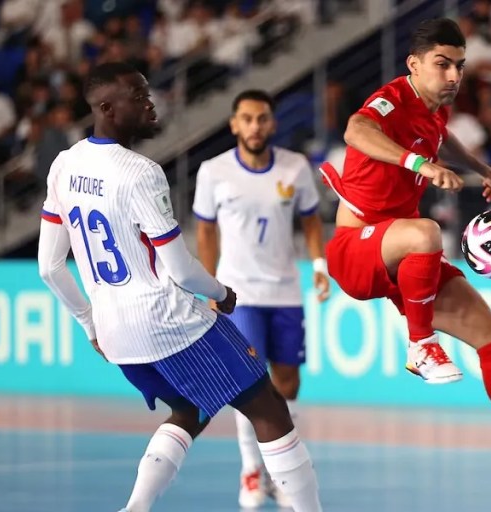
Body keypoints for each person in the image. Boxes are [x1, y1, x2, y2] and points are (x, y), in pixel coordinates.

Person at [318, 17, 491, 488]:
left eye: (460, 67)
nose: (453, 76)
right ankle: (421, 345)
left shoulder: (435, 108)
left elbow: (441, 137)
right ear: (413, 64)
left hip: (400, 256)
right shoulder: (390, 100)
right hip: (356, 249)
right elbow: (354, 131)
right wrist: (419, 164)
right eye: (442, 65)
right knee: (427, 232)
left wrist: (482, 168)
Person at [36, 62, 323, 512]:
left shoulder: (64, 165)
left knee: (190, 409)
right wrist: (222, 294)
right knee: (269, 408)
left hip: (115, 332)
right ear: (108, 107)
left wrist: (90, 325)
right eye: (139, 96)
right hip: (167, 320)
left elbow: (49, 268)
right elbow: (181, 270)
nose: (152, 104)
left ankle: (134, 508)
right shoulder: (140, 173)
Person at [193, 89, 330, 509]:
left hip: (285, 290)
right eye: (247, 119)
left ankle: (282, 472)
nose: (255, 126)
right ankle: (252, 470)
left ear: (272, 123)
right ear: (234, 124)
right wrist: (212, 286)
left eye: (263, 118)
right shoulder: (213, 172)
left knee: (288, 383)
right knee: (249, 382)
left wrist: (320, 265)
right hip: (240, 294)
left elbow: (310, 221)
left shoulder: (295, 167)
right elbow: (205, 232)